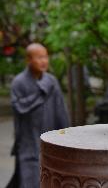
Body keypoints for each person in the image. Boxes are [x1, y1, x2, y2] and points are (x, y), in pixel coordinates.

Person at [6, 43, 70, 188]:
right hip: (27, 142)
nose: (44, 61)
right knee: (29, 180)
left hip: (49, 141)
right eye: (39, 57)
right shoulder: (19, 82)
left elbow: (61, 111)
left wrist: (66, 136)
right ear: (28, 60)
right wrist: (40, 92)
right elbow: (19, 108)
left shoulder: (51, 81)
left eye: (46, 57)